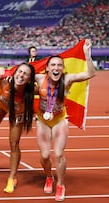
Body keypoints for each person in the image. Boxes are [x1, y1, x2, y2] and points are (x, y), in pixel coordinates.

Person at [35, 39, 96, 201]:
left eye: (59, 65)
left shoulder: (67, 80)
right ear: (47, 68)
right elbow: (20, 74)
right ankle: (49, 177)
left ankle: (60, 185)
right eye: (53, 65)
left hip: (60, 120)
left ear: (63, 68)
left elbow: (90, 74)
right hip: (42, 120)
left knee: (59, 154)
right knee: (45, 156)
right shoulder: (39, 79)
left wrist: (87, 55)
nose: (56, 68)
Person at [0, 60, 36, 193]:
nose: (21, 75)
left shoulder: (32, 90)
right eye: (20, 71)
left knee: (14, 144)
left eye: (25, 74)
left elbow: (50, 90)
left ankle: (12, 177)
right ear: (14, 73)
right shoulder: (5, 80)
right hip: (1, 105)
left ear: (29, 79)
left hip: (18, 113)